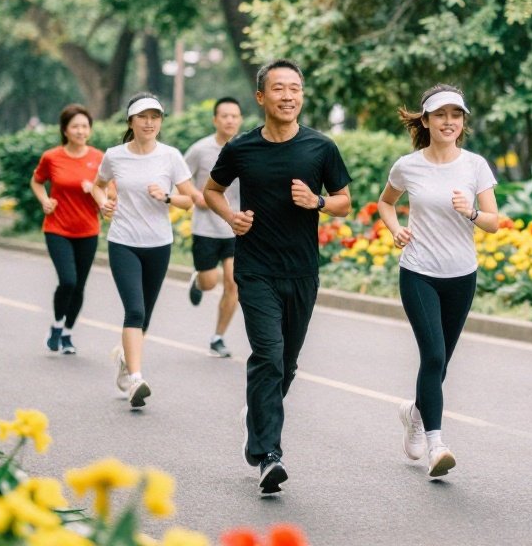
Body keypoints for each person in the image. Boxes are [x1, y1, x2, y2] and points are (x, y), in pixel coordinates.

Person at [204, 59, 351, 495]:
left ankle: (257, 418)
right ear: (261, 97)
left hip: (302, 271)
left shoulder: (321, 148)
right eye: (279, 88)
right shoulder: (242, 148)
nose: (288, 96)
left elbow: (344, 201)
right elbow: (212, 190)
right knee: (268, 356)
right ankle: (269, 454)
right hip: (255, 269)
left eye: (295, 89)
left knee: (286, 364)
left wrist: (317, 202)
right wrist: (231, 217)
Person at [377, 85, 499, 478]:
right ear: (426, 120)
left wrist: (471, 212)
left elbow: (494, 223)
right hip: (418, 272)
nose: (449, 122)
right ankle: (436, 444)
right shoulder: (408, 166)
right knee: (432, 355)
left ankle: (415, 413)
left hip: (461, 275)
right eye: (441, 115)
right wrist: (396, 228)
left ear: (463, 122)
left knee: (441, 361)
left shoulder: (475, 165)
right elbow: (385, 202)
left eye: (456, 115)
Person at [91, 92, 202, 409]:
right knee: (135, 311)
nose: (149, 123)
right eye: (143, 117)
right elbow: (98, 185)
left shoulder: (170, 156)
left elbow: (189, 199)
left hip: (158, 244)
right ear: (131, 121)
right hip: (123, 242)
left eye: (155, 117)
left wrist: (166, 197)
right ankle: (135, 379)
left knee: (146, 318)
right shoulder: (114, 156)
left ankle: (125, 362)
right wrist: (104, 204)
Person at [31, 104, 104, 356]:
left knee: (80, 286)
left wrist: (94, 189)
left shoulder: (99, 158)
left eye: (85, 126)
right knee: (68, 281)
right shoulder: (52, 157)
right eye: (75, 126)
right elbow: (37, 181)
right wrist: (44, 200)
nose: (81, 131)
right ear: (65, 130)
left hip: (88, 230)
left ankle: (67, 334)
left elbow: (110, 191)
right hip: (57, 228)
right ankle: (56, 324)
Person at [183, 97, 244, 357]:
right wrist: (196, 196)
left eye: (234, 116)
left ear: (240, 120)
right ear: (215, 120)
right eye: (225, 116)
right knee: (210, 283)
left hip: (235, 227)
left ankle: (218, 338)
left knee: (233, 282)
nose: (230, 120)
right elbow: (181, 177)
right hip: (206, 228)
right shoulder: (200, 149)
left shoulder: (246, 148)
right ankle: (198, 282)